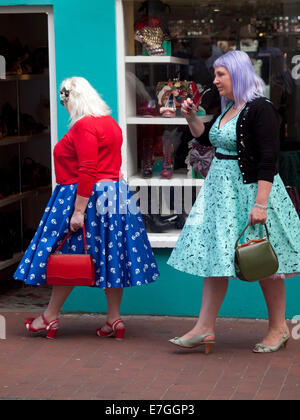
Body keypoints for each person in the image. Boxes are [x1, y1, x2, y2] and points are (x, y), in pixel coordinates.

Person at [167, 50, 300, 354]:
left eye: (220, 74)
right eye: (215, 74)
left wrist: (261, 204)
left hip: (251, 193)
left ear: (238, 74)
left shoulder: (260, 109)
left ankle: (279, 328)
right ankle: (204, 327)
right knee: (216, 258)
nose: (214, 81)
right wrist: (191, 118)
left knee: (263, 260)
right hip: (221, 195)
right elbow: (205, 139)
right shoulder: (228, 107)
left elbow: (268, 159)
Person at [14, 77, 160, 340]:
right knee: (112, 257)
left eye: (64, 100)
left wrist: (78, 211)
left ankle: (49, 316)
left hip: (87, 197)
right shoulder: (110, 123)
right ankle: (114, 319)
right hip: (115, 195)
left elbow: (87, 169)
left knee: (67, 254)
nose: (63, 106)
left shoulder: (83, 126)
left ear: (72, 99)